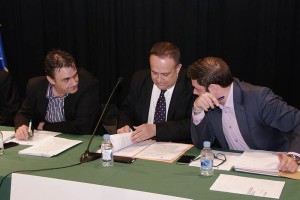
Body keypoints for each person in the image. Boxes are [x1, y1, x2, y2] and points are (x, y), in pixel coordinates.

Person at [187, 56, 300, 173]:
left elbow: (298, 122)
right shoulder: (209, 104)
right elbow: (201, 144)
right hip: (234, 168)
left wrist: (294, 157)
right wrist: (197, 110)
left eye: (197, 89)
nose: (194, 92)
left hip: (275, 166)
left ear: (213, 88)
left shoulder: (259, 98)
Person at [117, 41, 195, 143]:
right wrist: (125, 126)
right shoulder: (139, 79)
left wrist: (156, 130)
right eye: (154, 72)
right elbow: (126, 111)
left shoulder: (191, 86)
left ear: (178, 68)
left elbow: (192, 124)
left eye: (165, 74)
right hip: (142, 146)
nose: (159, 79)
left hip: (175, 148)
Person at [15, 49, 100, 140]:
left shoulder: (88, 84)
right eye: (66, 79)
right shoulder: (35, 86)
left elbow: (83, 126)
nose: (74, 82)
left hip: (78, 140)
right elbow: (24, 114)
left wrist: (45, 127)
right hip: (45, 141)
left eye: (75, 75)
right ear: (51, 80)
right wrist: (22, 126)